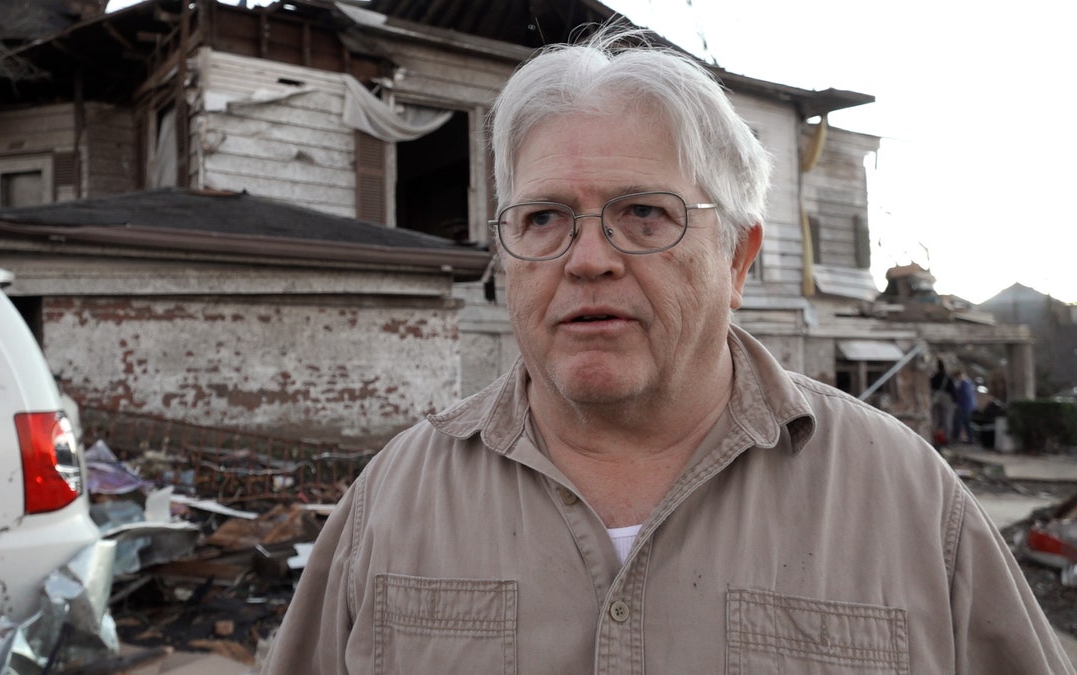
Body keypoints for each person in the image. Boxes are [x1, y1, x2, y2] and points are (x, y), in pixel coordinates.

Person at [261, 28, 1074, 673]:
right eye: (543, 218)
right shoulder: (392, 503)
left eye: (644, 213)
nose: (587, 258)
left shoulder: (907, 501)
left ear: (738, 258)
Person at [930, 358, 957, 446]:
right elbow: (953, 391)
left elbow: (930, 387)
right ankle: (947, 439)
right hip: (947, 399)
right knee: (947, 419)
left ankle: (934, 438)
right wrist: (955, 402)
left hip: (935, 398)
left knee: (935, 419)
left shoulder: (934, 377)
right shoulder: (948, 378)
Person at [953, 370, 979, 444]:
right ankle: (970, 438)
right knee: (967, 423)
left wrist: (958, 402)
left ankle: (956, 438)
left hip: (964, 406)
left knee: (959, 422)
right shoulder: (969, 382)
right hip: (969, 406)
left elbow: (964, 396)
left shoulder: (964, 384)